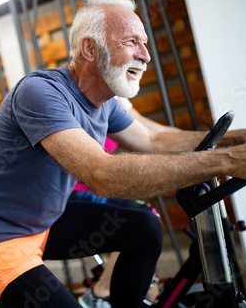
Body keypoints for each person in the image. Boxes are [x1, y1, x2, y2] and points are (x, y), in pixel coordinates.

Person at [0, 0, 246, 308]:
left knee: (145, 227)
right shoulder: (40, 92)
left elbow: (155, 141)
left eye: (144, 42)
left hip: (44, 221)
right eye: (131, 42)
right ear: (90, 49)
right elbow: (104, 175)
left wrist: (241, 139)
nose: (146, 54)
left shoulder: (104, 103)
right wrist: (230, 160)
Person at [74, 97, 179, 307]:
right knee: (144, 217)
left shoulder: (117, 99)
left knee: (150, 284)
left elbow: (150, 132)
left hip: (95, 190)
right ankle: (99, 294)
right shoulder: (90, 96)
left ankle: (142, 295)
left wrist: (198, 140)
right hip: (73, 193)